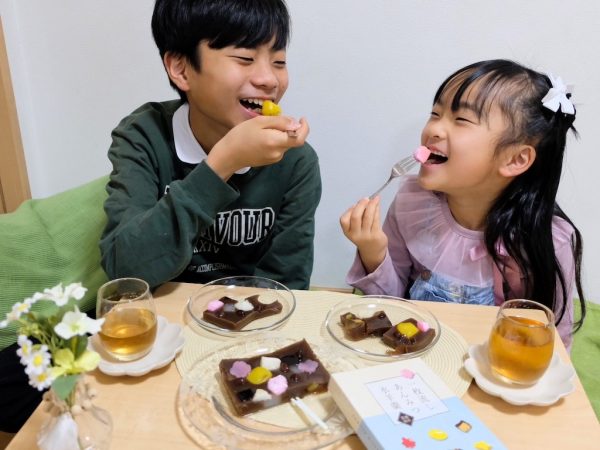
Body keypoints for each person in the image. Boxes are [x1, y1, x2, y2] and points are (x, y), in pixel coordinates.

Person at [340, 59, 586, 350]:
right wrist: (373, 252)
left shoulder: (546, 240)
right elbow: (391, 308)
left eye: (461, 120)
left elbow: (554, 342)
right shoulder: (412, 202)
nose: (434, 129)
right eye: (435, 113)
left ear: (515, 159)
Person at [100, 0, 321, 290]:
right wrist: (221, 165)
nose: (269, 80)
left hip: (252, 322)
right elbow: (125, 274)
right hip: (164, 321)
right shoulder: (143, 138)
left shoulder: (295, 161)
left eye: (279, 62)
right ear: (181, 69)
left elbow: (285, 286)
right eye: (244, 58)